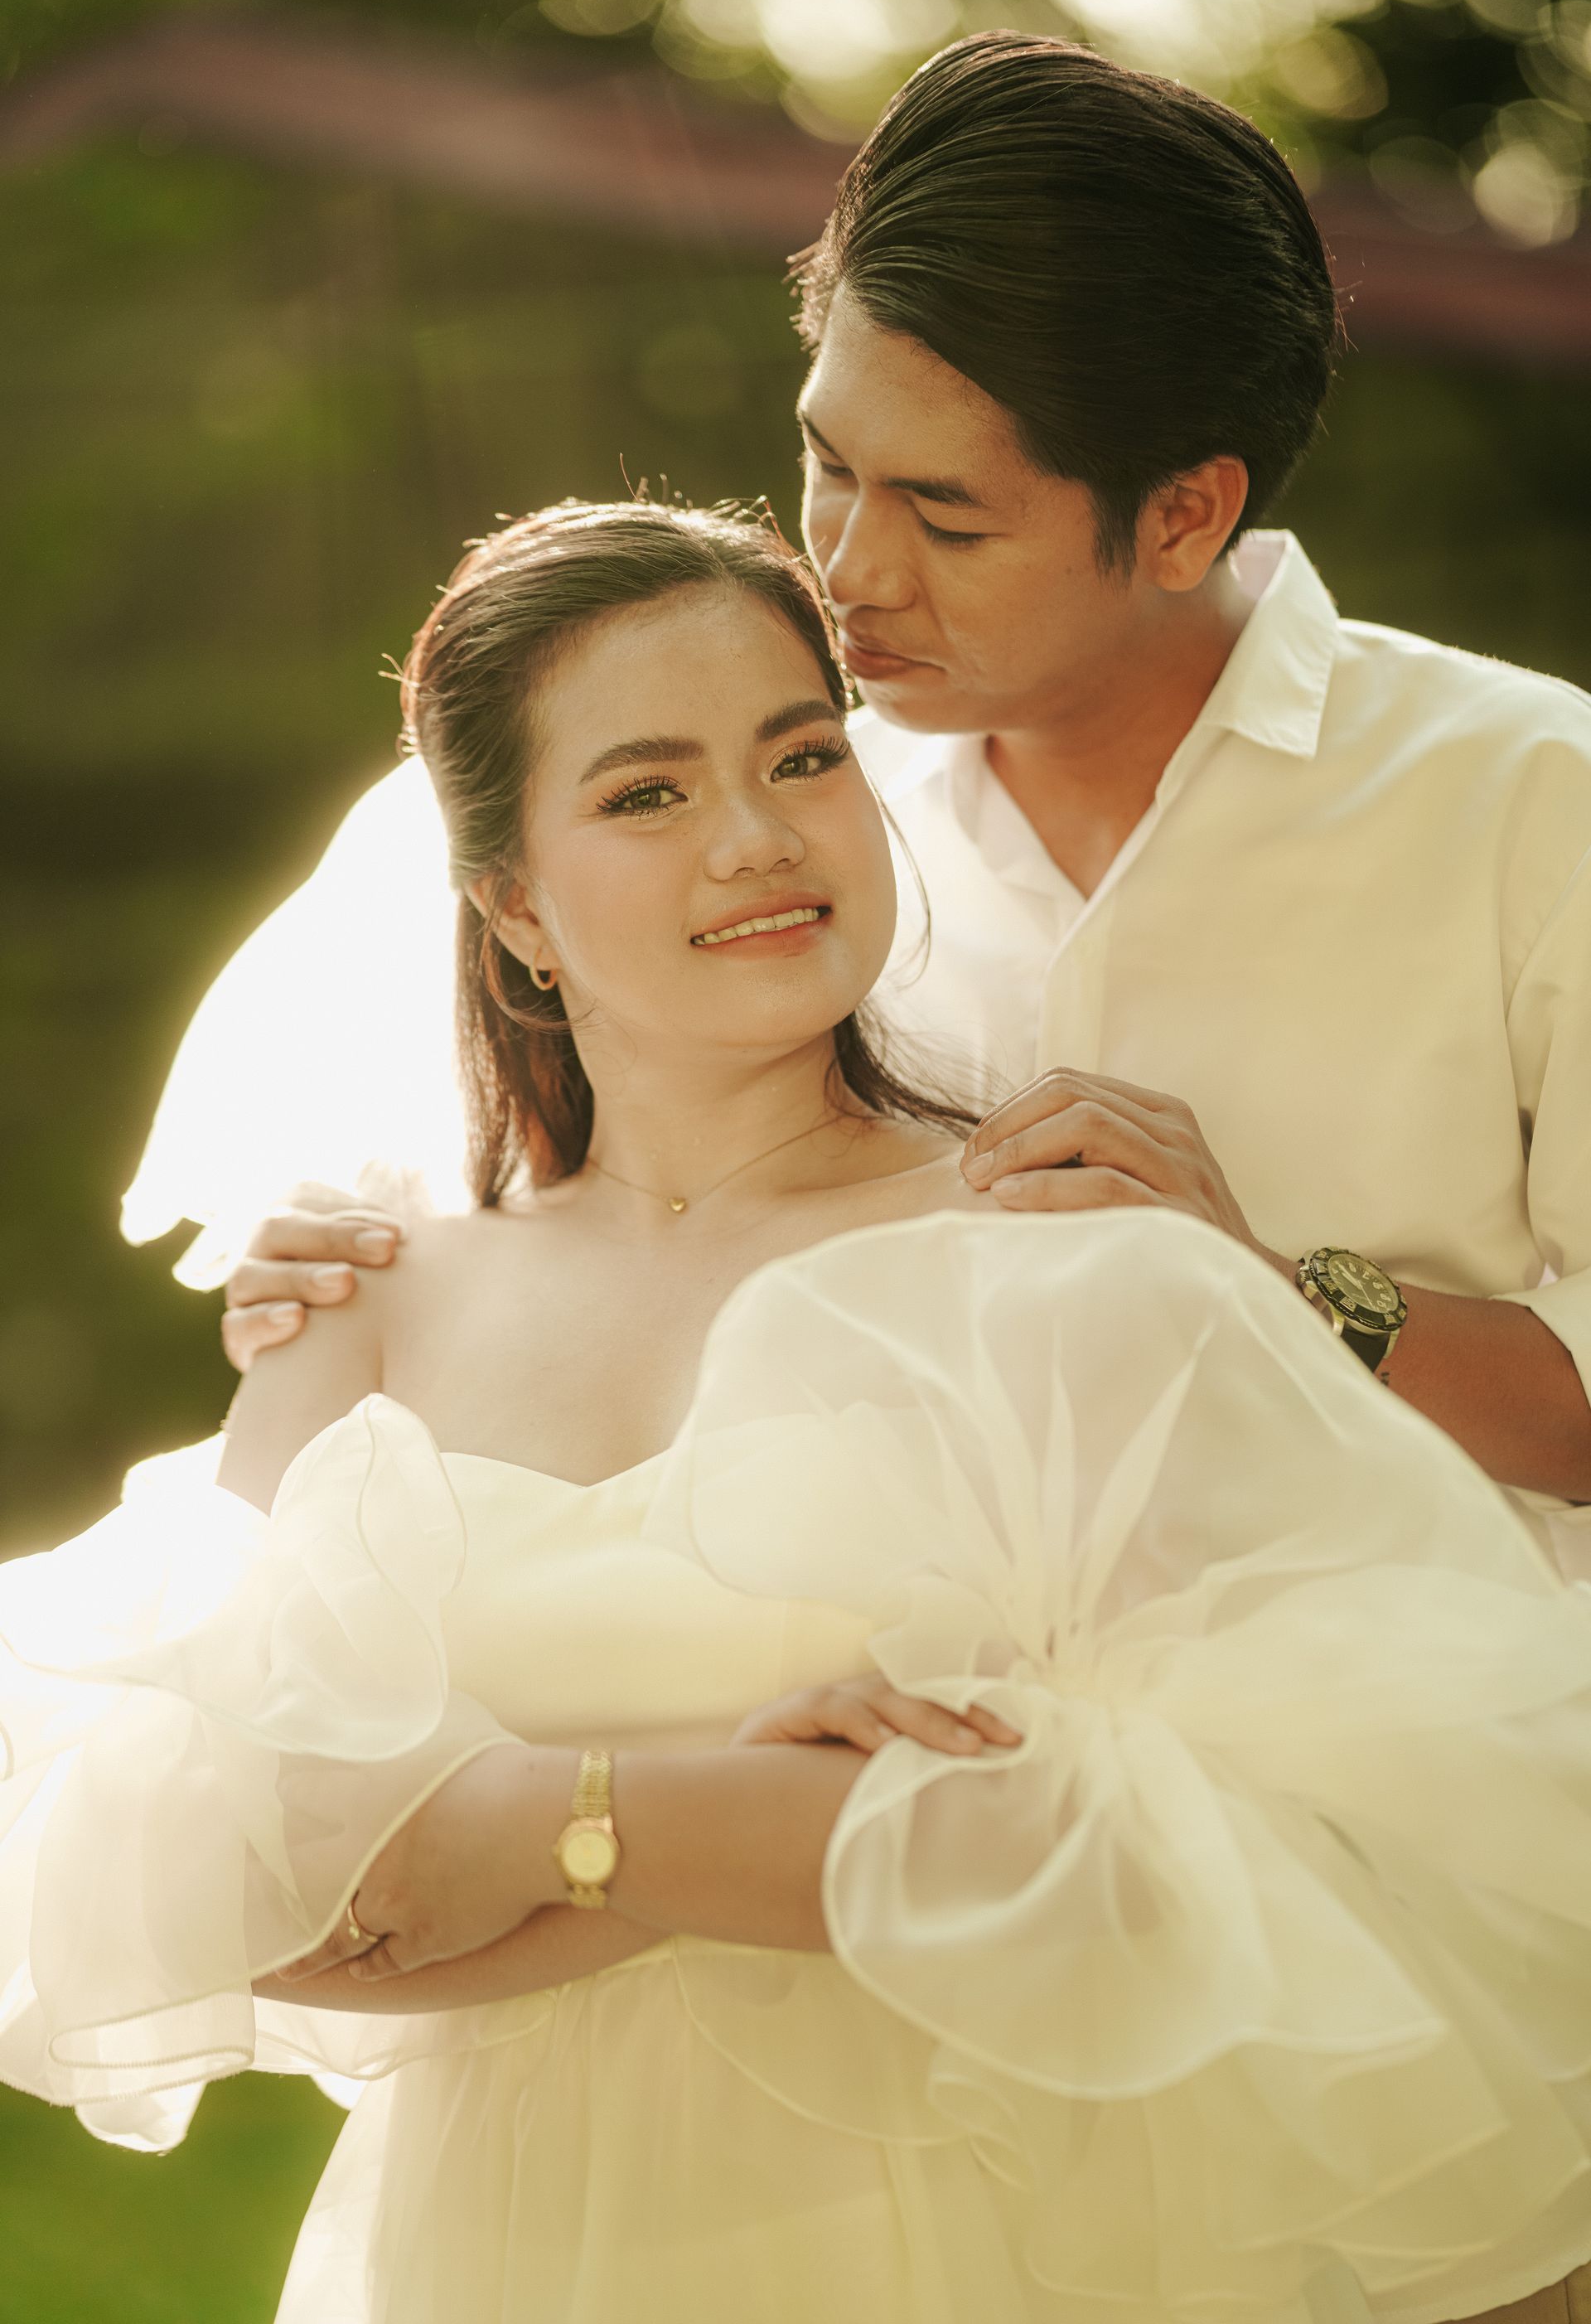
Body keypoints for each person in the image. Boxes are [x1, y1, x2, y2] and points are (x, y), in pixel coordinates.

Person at [9, 498, 1591, 2324]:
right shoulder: (364, 1301)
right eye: (647, 793)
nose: (758, 838)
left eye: (805, 755)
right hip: (497, 2258)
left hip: (979, 2238)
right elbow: (231, 1881)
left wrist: (535, 1822)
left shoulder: (1059, 1248)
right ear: (511, 906)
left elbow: (1150, 1861)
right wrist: (753, 1823)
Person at [136, 37, 1591, 1572]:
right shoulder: (774, 828)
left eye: (948, 521)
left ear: (1183, 516)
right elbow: (564, 1210)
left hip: (1449, 1673)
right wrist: (344, 1288)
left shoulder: (1530, 801)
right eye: (830, 466)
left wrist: (1269, 1295)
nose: (849, 568)